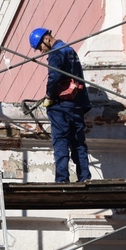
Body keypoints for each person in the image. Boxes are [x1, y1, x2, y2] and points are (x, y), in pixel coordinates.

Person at [29, 27, 92, 183]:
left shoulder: (56, 53)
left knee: (61, 140)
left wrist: (49, 95)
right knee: (78, 142)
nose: (41, 51)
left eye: (40, 47)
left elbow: (54, 76)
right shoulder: (70, 51)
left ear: (46, 39)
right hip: (77, 105)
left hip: (61, 106)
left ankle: (62, 179)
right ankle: (84, 177)